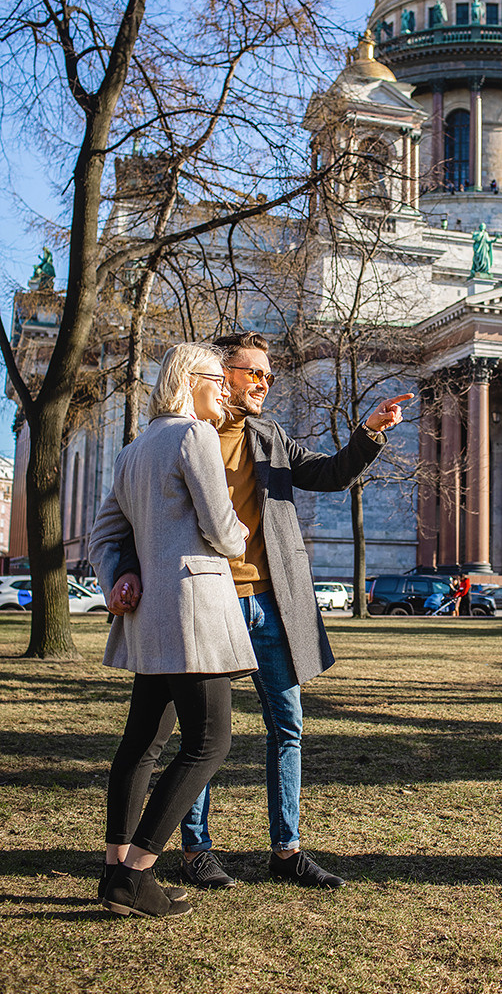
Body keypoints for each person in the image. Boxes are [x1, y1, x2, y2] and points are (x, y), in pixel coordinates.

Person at [109, 330, 411, 891]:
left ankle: (286, 850)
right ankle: (196, 850)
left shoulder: (269, 435)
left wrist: (369, 432)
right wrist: (126, 568)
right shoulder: (181, 435)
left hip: (271, 601)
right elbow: (136, 518)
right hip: (205, 604)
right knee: (200, 737)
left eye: (269, 376)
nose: (265, 383)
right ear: (218, 374)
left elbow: (328, 473)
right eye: (254, 373)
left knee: (286, 726)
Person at [89, 343, 258, 918]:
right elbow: (220, 528)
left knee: (141, 745)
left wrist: (120, 576)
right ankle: (137, 874)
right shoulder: (195, 435)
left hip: (151, 619)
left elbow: (104, 536)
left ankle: (114, 870)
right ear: (189, 380)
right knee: (209, 743)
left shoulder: (133, 449)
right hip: (194, 612)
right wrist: (240, 537)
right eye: (218, 379)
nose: (227, 390)